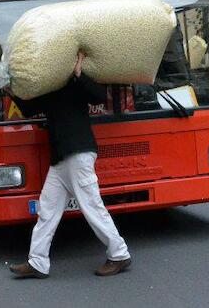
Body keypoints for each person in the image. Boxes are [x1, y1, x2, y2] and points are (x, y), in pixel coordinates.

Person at [8, 52, 131, 278]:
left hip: (78, 154)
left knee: (92, 206)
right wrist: (9, 89)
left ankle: (119, 253)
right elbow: (28, 109)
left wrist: (79, 74)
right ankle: (37, 262)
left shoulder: (74, 83)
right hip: (62, 159)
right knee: (47, 209)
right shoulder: (50, 88)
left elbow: (99, 96)